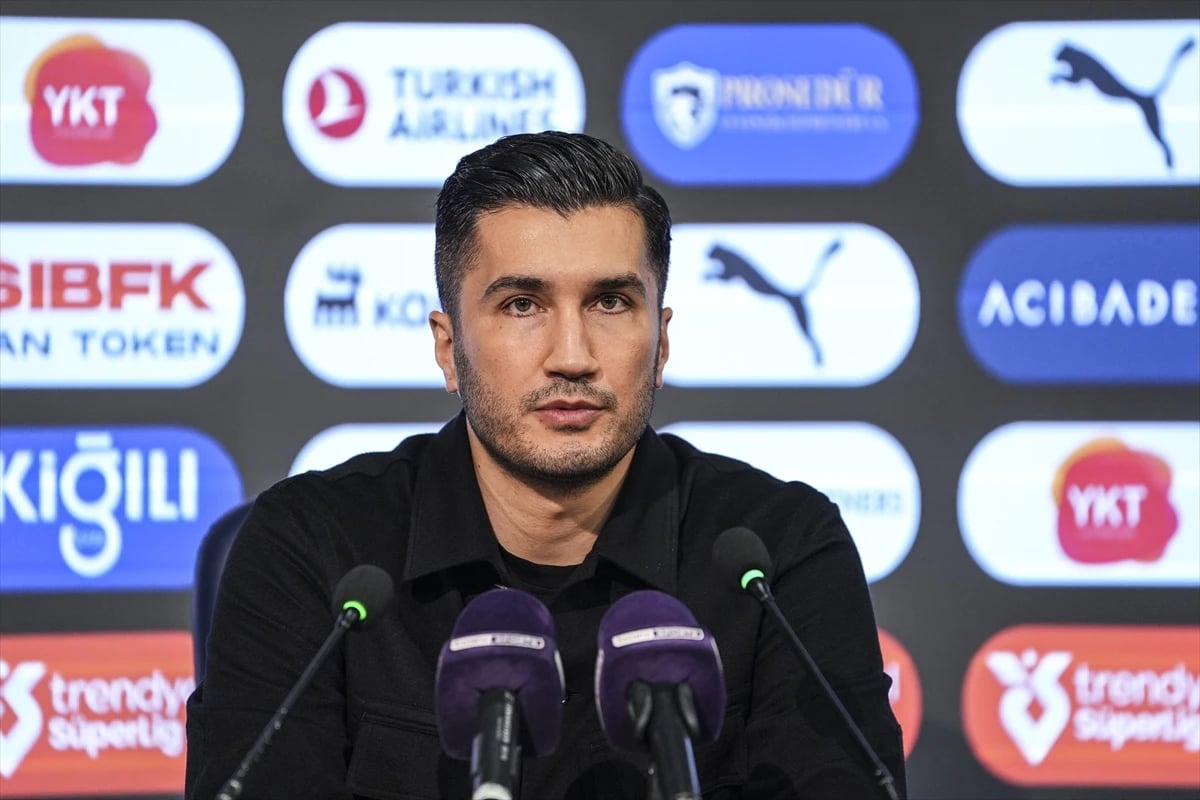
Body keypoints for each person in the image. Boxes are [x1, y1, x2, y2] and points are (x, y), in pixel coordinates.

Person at [184, 131, 906, 799]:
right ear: (448, 349)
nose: (572, 356)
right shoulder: (312, 548)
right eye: (522, 304)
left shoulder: (777, 554)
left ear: (660, 342)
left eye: (611, 302)